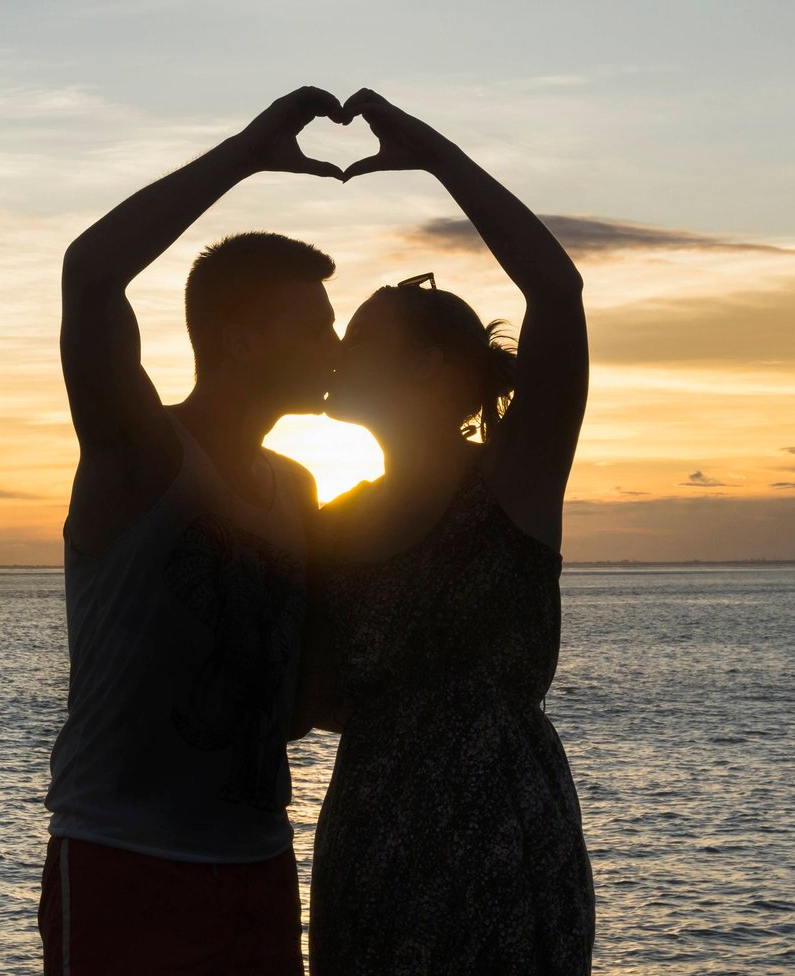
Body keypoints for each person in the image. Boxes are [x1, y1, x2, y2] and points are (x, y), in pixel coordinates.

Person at [40, 87, 351, 975]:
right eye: (317, 327)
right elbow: (91, 273)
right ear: (247, 340)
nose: (334, 348)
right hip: (123, 864)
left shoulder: (296, 489)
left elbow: (302, 694)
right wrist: (245, 153)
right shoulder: (141, 456)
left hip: (257, 865)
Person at [302, 88, 596, 973]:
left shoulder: (512, 481)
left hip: (501, 825)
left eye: (359, 344)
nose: (336, 361)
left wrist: (435, 154)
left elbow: (557, 289)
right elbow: (310, 694)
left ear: (431, 368)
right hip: (373, 828)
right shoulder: (329, 521)